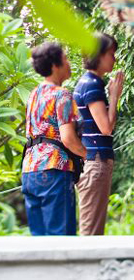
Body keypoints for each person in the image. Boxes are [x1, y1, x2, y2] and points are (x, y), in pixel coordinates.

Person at [22, 42, 86, 236]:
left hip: (29, 171)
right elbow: (68, 138)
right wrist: (88, 155)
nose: (69, 63)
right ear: (55, 65)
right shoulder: (62, 95)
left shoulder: (34, 94)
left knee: (39, 240)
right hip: (54, 171)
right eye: (65, 59)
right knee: (61, 238)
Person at [74, 33, 124, 236]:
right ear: (100, 55)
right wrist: (114, 97)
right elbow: (106, 127)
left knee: (93, 229)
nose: (114, 59)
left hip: (94, 162)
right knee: (91, 233)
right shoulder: (92, 85)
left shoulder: (91, 83)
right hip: (95, 162)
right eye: (111, 53)